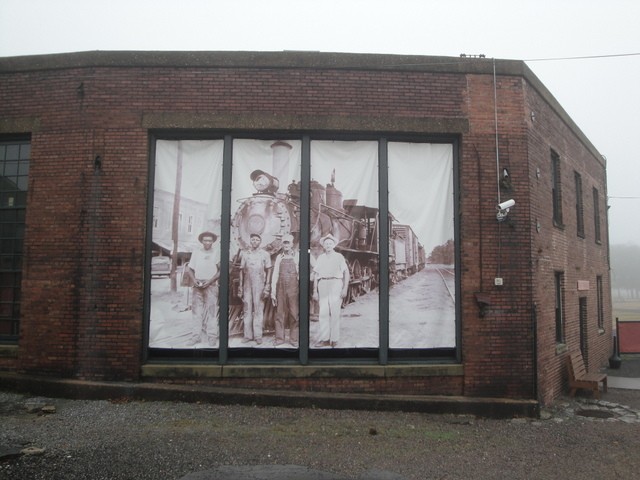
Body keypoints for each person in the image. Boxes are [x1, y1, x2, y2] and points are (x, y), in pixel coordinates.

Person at [312, 234, 350, 347]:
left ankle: (334, 339)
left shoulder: (339, 257)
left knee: (335, 312)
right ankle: (325, 339)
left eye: (330, 243)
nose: (328, 245)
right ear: (323, 246)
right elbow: (316, 275)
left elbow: (346, 273)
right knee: (323, 313)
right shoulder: (321, 258)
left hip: (335, 284)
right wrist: (315, 290)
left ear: (333, 245)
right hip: (322, 284)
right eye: (326, 244)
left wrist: (345, 288)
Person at [185, 231, 220, 347]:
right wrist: (194, 280)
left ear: (213, 242)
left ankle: (212, 337)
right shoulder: (196, 252)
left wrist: (210, 281)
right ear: (201, 241)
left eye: (210, 240)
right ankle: (195, 337)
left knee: (211, 313)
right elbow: (189, 269)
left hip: (211, 286)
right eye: (205, 240)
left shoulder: (216, 252)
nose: (207, 242)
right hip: (197, 285)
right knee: (196, 313)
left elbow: (221, 270)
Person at [239, 233, 272, 345]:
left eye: (257, 240)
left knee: (258, 309)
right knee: (247, 309)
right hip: (247, 284)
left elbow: (269, 270)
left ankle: (258, 335)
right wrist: (240, 286)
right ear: (250, 241)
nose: (254, 241)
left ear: (260, 242)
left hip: (259, 284)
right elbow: (241, 270)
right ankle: (247, 335)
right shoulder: (245, 254)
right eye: (252, 240)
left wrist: (267, 285)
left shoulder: (265, 254)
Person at [270, 234, 299, 347]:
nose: (286, 245)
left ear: (292, 244)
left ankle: (294, 339)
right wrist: (273, 292)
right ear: (282, 244)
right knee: (279, 314)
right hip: (280, 289)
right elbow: (275, 275)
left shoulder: (297, 256)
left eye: (288, 243)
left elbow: (300, 273)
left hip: (293, 289)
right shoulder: (279, 258)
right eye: (284, 243)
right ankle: (279, 338)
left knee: (294, 313)